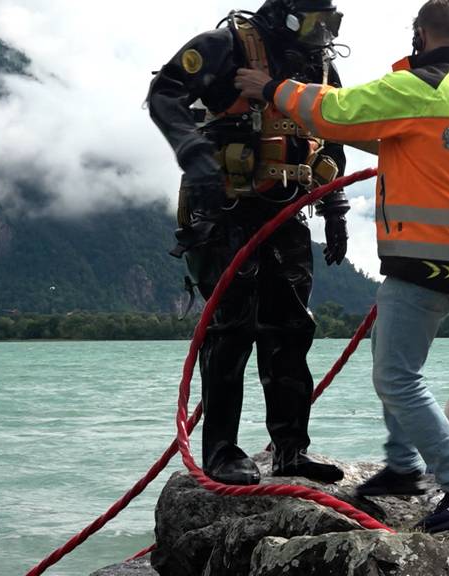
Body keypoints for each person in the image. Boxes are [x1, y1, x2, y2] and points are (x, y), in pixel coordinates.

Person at [236, 0, 449, 531]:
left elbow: (335, 112)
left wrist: (270, 88)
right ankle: (403, 468)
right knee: (393, 356)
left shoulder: (419, 87)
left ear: (420, 34)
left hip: (422, 260)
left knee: (397, 376)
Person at [147, 0, 351, 486]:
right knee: (232, 330)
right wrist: (193, 153)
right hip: (223, 210)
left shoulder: (319, 65)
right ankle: (220, 450)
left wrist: (335, 210)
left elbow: (333, 133)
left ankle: (291, 450)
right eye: (313, 21)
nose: (322, 32)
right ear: (283, 12)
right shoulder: (225, 47)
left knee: (292, 330)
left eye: (331, 22)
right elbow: (164, 94)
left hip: (286, 211)